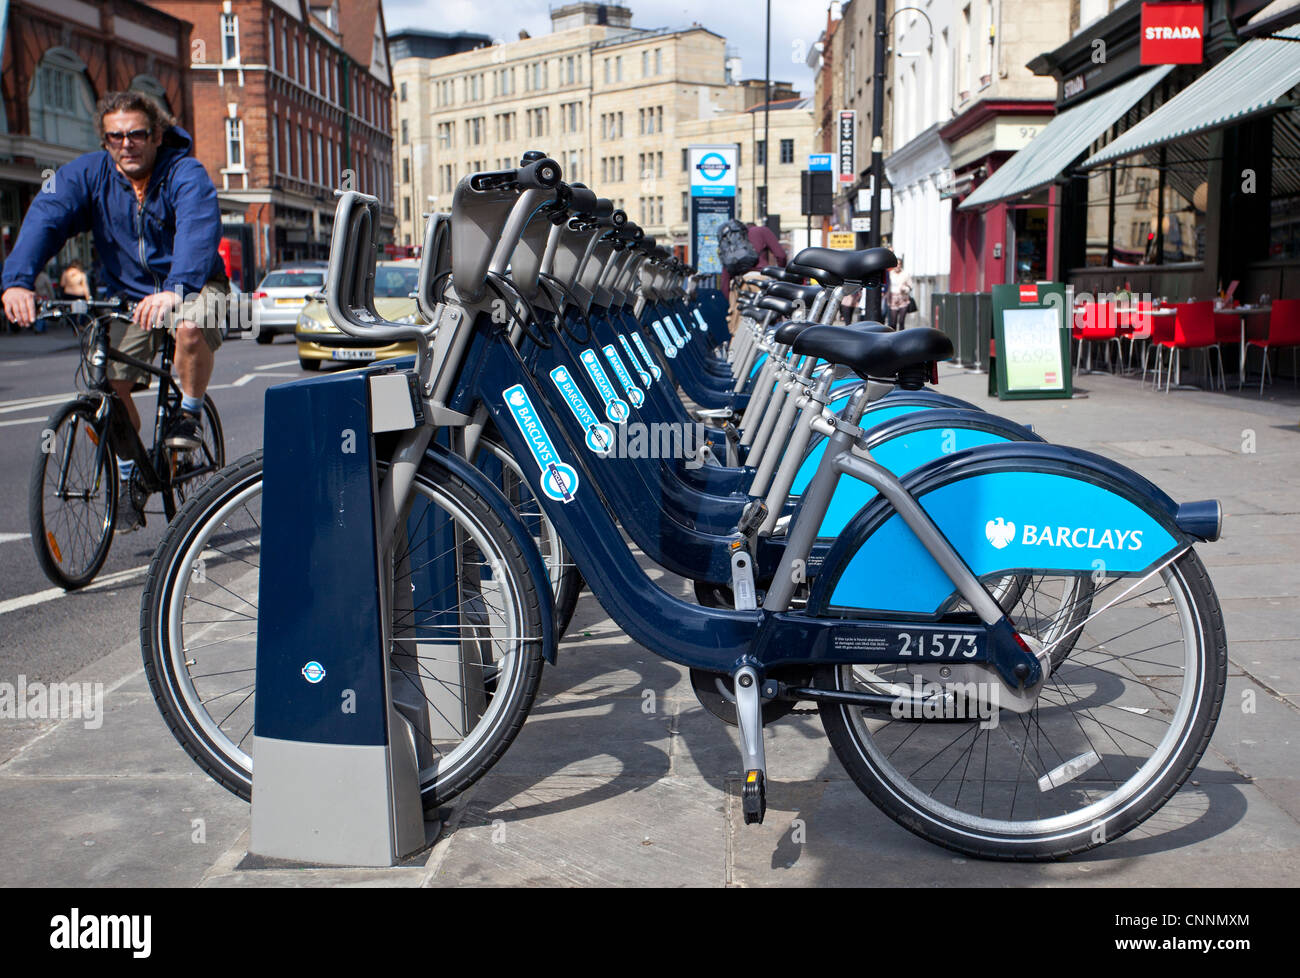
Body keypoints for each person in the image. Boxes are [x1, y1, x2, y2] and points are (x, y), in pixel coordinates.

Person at [2, 91, 226, 532]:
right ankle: (129, 477)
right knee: (108, 384)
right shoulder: (86, 175)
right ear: (105, 140)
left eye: (136, 134)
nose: (126, 144)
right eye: (115, 136)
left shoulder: (185, 173)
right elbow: (47, 216)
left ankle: (190, 413)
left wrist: (178, 289)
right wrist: (17, 281)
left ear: (157, 135)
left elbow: (199, 230)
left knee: (190, 325)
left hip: (196, 284)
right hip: (128, 296)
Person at [886, 256, 915, 330]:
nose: (897, 266)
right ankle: (894, 336)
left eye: (899, 264)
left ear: (901, 265)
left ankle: (902, 337)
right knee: (893, 322)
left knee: (901, 321)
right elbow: (888, 286)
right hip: (893, 298)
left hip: (903, 298)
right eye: (896, 264)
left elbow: (911, 286)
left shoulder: (905, 274)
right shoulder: (890, 274)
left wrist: (905, 289)